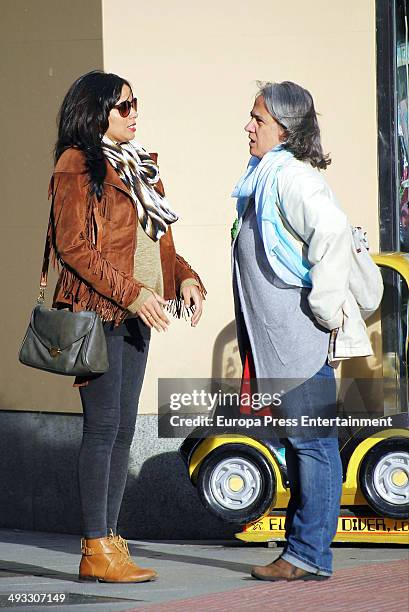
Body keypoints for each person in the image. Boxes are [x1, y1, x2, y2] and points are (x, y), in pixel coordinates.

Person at [49, 70, 206, 583]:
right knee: (102, 431)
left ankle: (109, 542)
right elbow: (73, 246)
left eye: (136, 103)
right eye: (125, 105)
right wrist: (133, 294)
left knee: (119, 433)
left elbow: (159, 243)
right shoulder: (76, 164)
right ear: (97, 112)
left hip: (140, 313)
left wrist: (185, 278)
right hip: (100, 314)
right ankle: (95, 546)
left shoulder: (141, 167)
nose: (135, 112)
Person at [231, 81, 372, 581]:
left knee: (312, 445)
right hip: (281, 345)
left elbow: (332, 233)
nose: (248, 126)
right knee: (303, 444)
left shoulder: (293, 179)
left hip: (300, 341)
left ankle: (308, 556)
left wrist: (325, 306)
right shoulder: (264, 176)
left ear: (285, 130)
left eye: (258, 119)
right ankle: (302, 552)